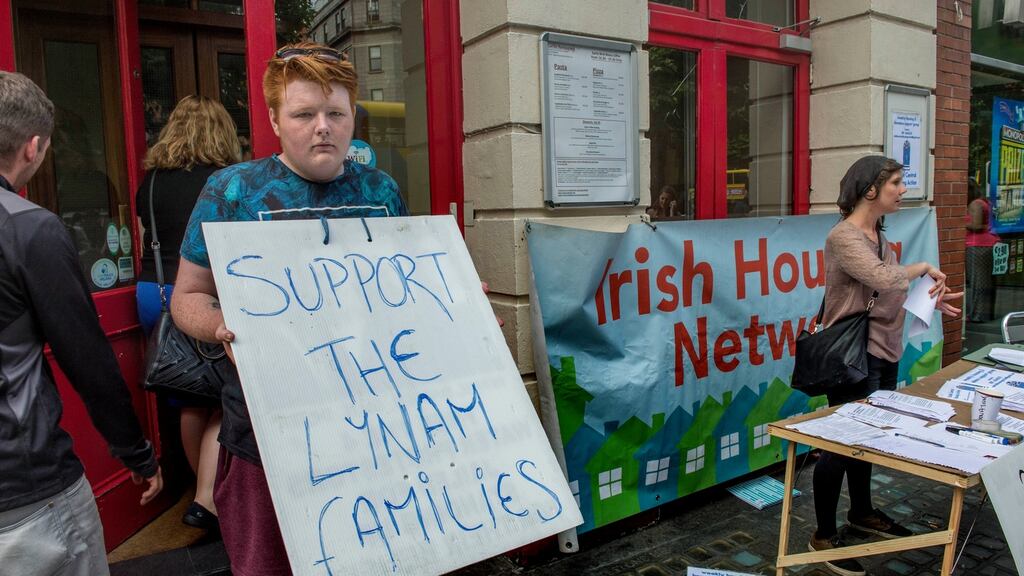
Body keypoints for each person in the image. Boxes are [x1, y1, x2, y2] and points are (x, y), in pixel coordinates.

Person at [171, 42, 408, 575]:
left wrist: (453, 303)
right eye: (304, 114)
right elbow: (186, 297)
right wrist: (220, 326)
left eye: (336, 113)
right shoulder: (231, 191)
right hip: (266, 435)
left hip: (370, 425)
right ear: (276, 118)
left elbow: (402, 287)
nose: (322, 126)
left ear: (352, 118)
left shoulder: (382, 190)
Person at [0, 71, 163, 575]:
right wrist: (137, 453)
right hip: (26, 490)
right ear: (33, 147)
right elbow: (87, 358)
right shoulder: (28, 228)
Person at [808, 155, 961, 576]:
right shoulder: (844, 236)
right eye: (896, 182)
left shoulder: (879, 233)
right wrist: (923, 268)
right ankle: (822, 536)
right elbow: (884, 278)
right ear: (870, 189)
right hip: (853, 356)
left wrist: (929, 296)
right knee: (840, 444)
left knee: (869, 437)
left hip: (883, 351)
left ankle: (861, 512)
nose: (903, 189)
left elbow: (891, 290)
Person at [136, 95, 242, 531]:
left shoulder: (151, 182)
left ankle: (197, 487)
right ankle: (210, 493)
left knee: (188, 393)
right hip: (202, 295)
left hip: (151, 291)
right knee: (222, 393)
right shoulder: (224, 182)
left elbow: (143, 237)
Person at [965, 177, 1000, 322]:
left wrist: (959, 222)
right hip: (989, 244)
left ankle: (977, 315)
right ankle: (987, 313)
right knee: (988, 283)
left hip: (977, 245)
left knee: (978, 282)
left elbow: (977, 225)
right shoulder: (985, 201)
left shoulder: (975, 204)